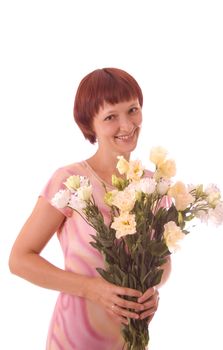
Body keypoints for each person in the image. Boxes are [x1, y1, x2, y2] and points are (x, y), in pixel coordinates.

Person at [9, 67, 171, 350]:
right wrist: (91, 288)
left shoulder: (153, 186)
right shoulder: (71, 181)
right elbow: (20, 259)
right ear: (89, 124)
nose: (127, 125)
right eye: (110, 117)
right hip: (75, 337)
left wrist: (153, 288)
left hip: (130, 339)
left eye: (132, 110)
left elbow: (163, 260)